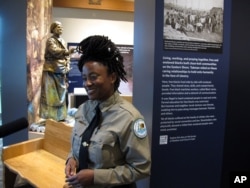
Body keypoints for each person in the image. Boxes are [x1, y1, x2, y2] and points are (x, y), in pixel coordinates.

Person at [65, 35, 151, 188]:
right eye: (84, 78)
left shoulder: (130, 118)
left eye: (93, 77)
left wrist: (96, 177)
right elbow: (78, 145)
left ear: (112, 77)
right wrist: (72, 159)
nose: (87, 84)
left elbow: (141, 168)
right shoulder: (83, 110)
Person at [40, 21, 75, 121]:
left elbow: (66, 57)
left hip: (60, 70)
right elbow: (54, 51)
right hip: (51, 70)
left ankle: (61, 115)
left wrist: (67, 63)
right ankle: (51, 116)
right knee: (52, 95)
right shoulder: (50, 40)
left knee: (62, 93)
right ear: (53, 29)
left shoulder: (62, 41)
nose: (61, 29)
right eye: (58, 27)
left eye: (61, 27)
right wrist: (67, 52)